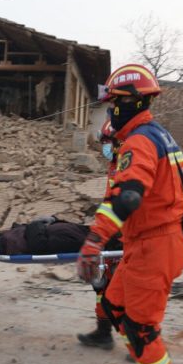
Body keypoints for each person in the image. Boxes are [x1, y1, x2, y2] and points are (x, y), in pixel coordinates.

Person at [77, 64, 183, 364]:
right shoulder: (159, 136)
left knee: (141, 325)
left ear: (131, 102)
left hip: (155, 244)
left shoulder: (140, 141)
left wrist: (93, 241)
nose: (110, 111)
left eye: (114, 104)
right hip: (148, 242)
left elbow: (127, 198)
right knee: (114, 304)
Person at [76, 118, 121, 351]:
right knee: (100, 284)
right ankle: (103, 332)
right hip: (111, 235)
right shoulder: (114, 164)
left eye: (108, 142)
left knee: (121, 291)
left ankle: (139, 344)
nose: (106, 147)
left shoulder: (127, 166)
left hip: (123, 237)